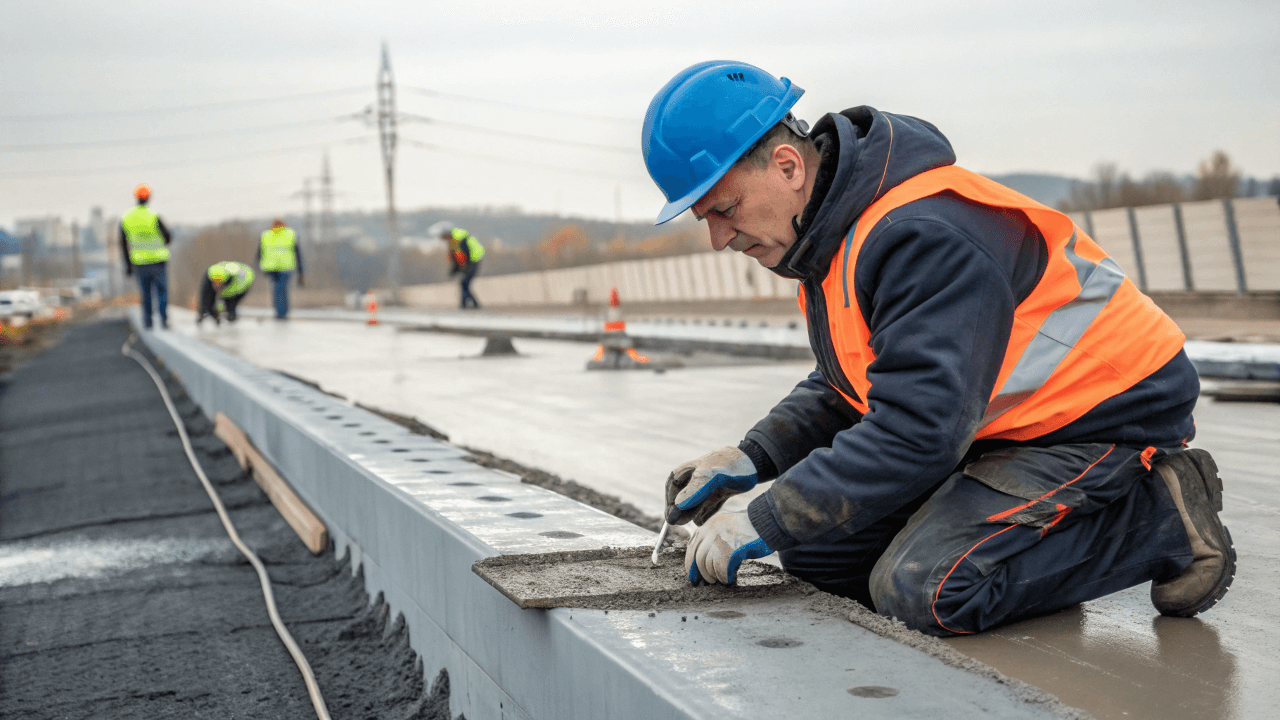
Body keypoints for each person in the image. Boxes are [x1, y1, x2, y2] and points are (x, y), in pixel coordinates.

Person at [645, 61, 1234, 637]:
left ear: (788, 165)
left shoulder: (921, 235)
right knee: (821, 553)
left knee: (921, 588)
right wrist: (754, 456)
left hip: (1098, 416)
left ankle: (1163, 518)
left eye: (724, 210)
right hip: (997, 424)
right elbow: (850, 382)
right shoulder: (832, 240)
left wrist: (766, 516)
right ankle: (1037, 559)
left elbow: (920, 429)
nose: (719, 238)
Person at [120, 184, 172, 329]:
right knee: (161, 291)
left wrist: (128, 266)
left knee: (146, 294)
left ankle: (148, 322)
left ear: (136, 197)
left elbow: (123, 244)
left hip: (139, 263)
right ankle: (164, 321)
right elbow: (168, 237)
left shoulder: (127, 218)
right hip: (158, 262)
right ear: (149, 197)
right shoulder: (153, 216)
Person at [431, 221, 484, 309]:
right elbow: (456, 257)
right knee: (464, 283)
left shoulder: (457, 240)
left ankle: (469, 305)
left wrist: (456, 269)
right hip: (471, 262)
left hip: (472, 262)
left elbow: (461, 256)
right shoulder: (455, 239)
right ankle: (468, 304)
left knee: (464, 283)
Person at [257, 218, 303, 319]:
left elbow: (259, 253)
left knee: (276, 289)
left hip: (271, 268)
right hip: (285, 267)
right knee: (282, 289)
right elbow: (298, 253)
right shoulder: (290, 234)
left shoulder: (266, 235)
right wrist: (301, 271)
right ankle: (282, 312)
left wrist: (261, 267)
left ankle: (279, 311)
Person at [197, 261, 255, 325]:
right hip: (229, 275)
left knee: (230, 301)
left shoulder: (237, 283)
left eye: (218, 282)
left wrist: (219, 307)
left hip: (244, 282)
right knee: (208, 296)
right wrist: (205, 309)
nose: (216, 285)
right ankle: (206, 312)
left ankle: (231, 315)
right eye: (215, 282)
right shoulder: (211, 273)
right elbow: (205, 294)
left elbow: (226, 296)